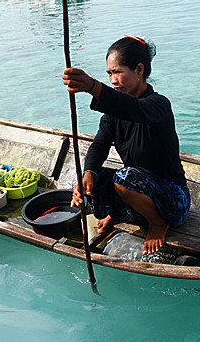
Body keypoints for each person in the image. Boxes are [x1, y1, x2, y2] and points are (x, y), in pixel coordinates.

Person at [63, 35, 190, 257]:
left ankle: (157, 223)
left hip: (173, 201)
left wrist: (92, 86)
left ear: (139, 70)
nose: (113, 80)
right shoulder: (114, 113)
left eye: (118, 72)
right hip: (138, 191)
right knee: (98, 178)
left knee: (124, 178)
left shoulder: (158, 105)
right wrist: (88, 175)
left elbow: (132, 108)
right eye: (109, 74)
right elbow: (99, 144)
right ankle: (123, 212)